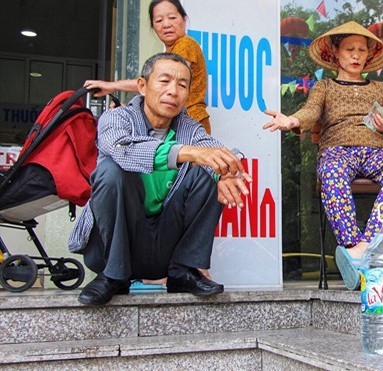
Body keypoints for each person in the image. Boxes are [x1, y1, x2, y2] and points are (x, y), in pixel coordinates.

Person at [69, 53, 252, 306]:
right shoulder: (117, 118)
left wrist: (227, 171)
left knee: (209, 170)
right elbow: (121, 148)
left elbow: (212, 148)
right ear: (142, 86)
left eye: (182, 85)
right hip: (113, 247)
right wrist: (188, 153)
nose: (173, 91)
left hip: (161, 252)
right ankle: (113, 275)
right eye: (164, 81)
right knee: (111, 170)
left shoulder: (188, 127)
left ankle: (183, 270)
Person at [263, 21, 383, 290]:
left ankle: (370, 245)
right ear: (336, 52)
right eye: (349, 49)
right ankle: (355, 247)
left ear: (369, 54)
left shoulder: (381, 89)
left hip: (378, 151)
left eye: (361, 50)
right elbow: (310, 113)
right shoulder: (325, 86)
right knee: (331, 172)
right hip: (338, 151)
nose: (356, 55)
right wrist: (293, 121)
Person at [85, 0, 212, 134]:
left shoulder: (185, 45)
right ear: (153, 26)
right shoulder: (170, 52)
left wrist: (111, 86)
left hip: (188, 123)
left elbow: (151, 84)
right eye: (159, 21)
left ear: (184, 20)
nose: (166, 24)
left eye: (172, 18)